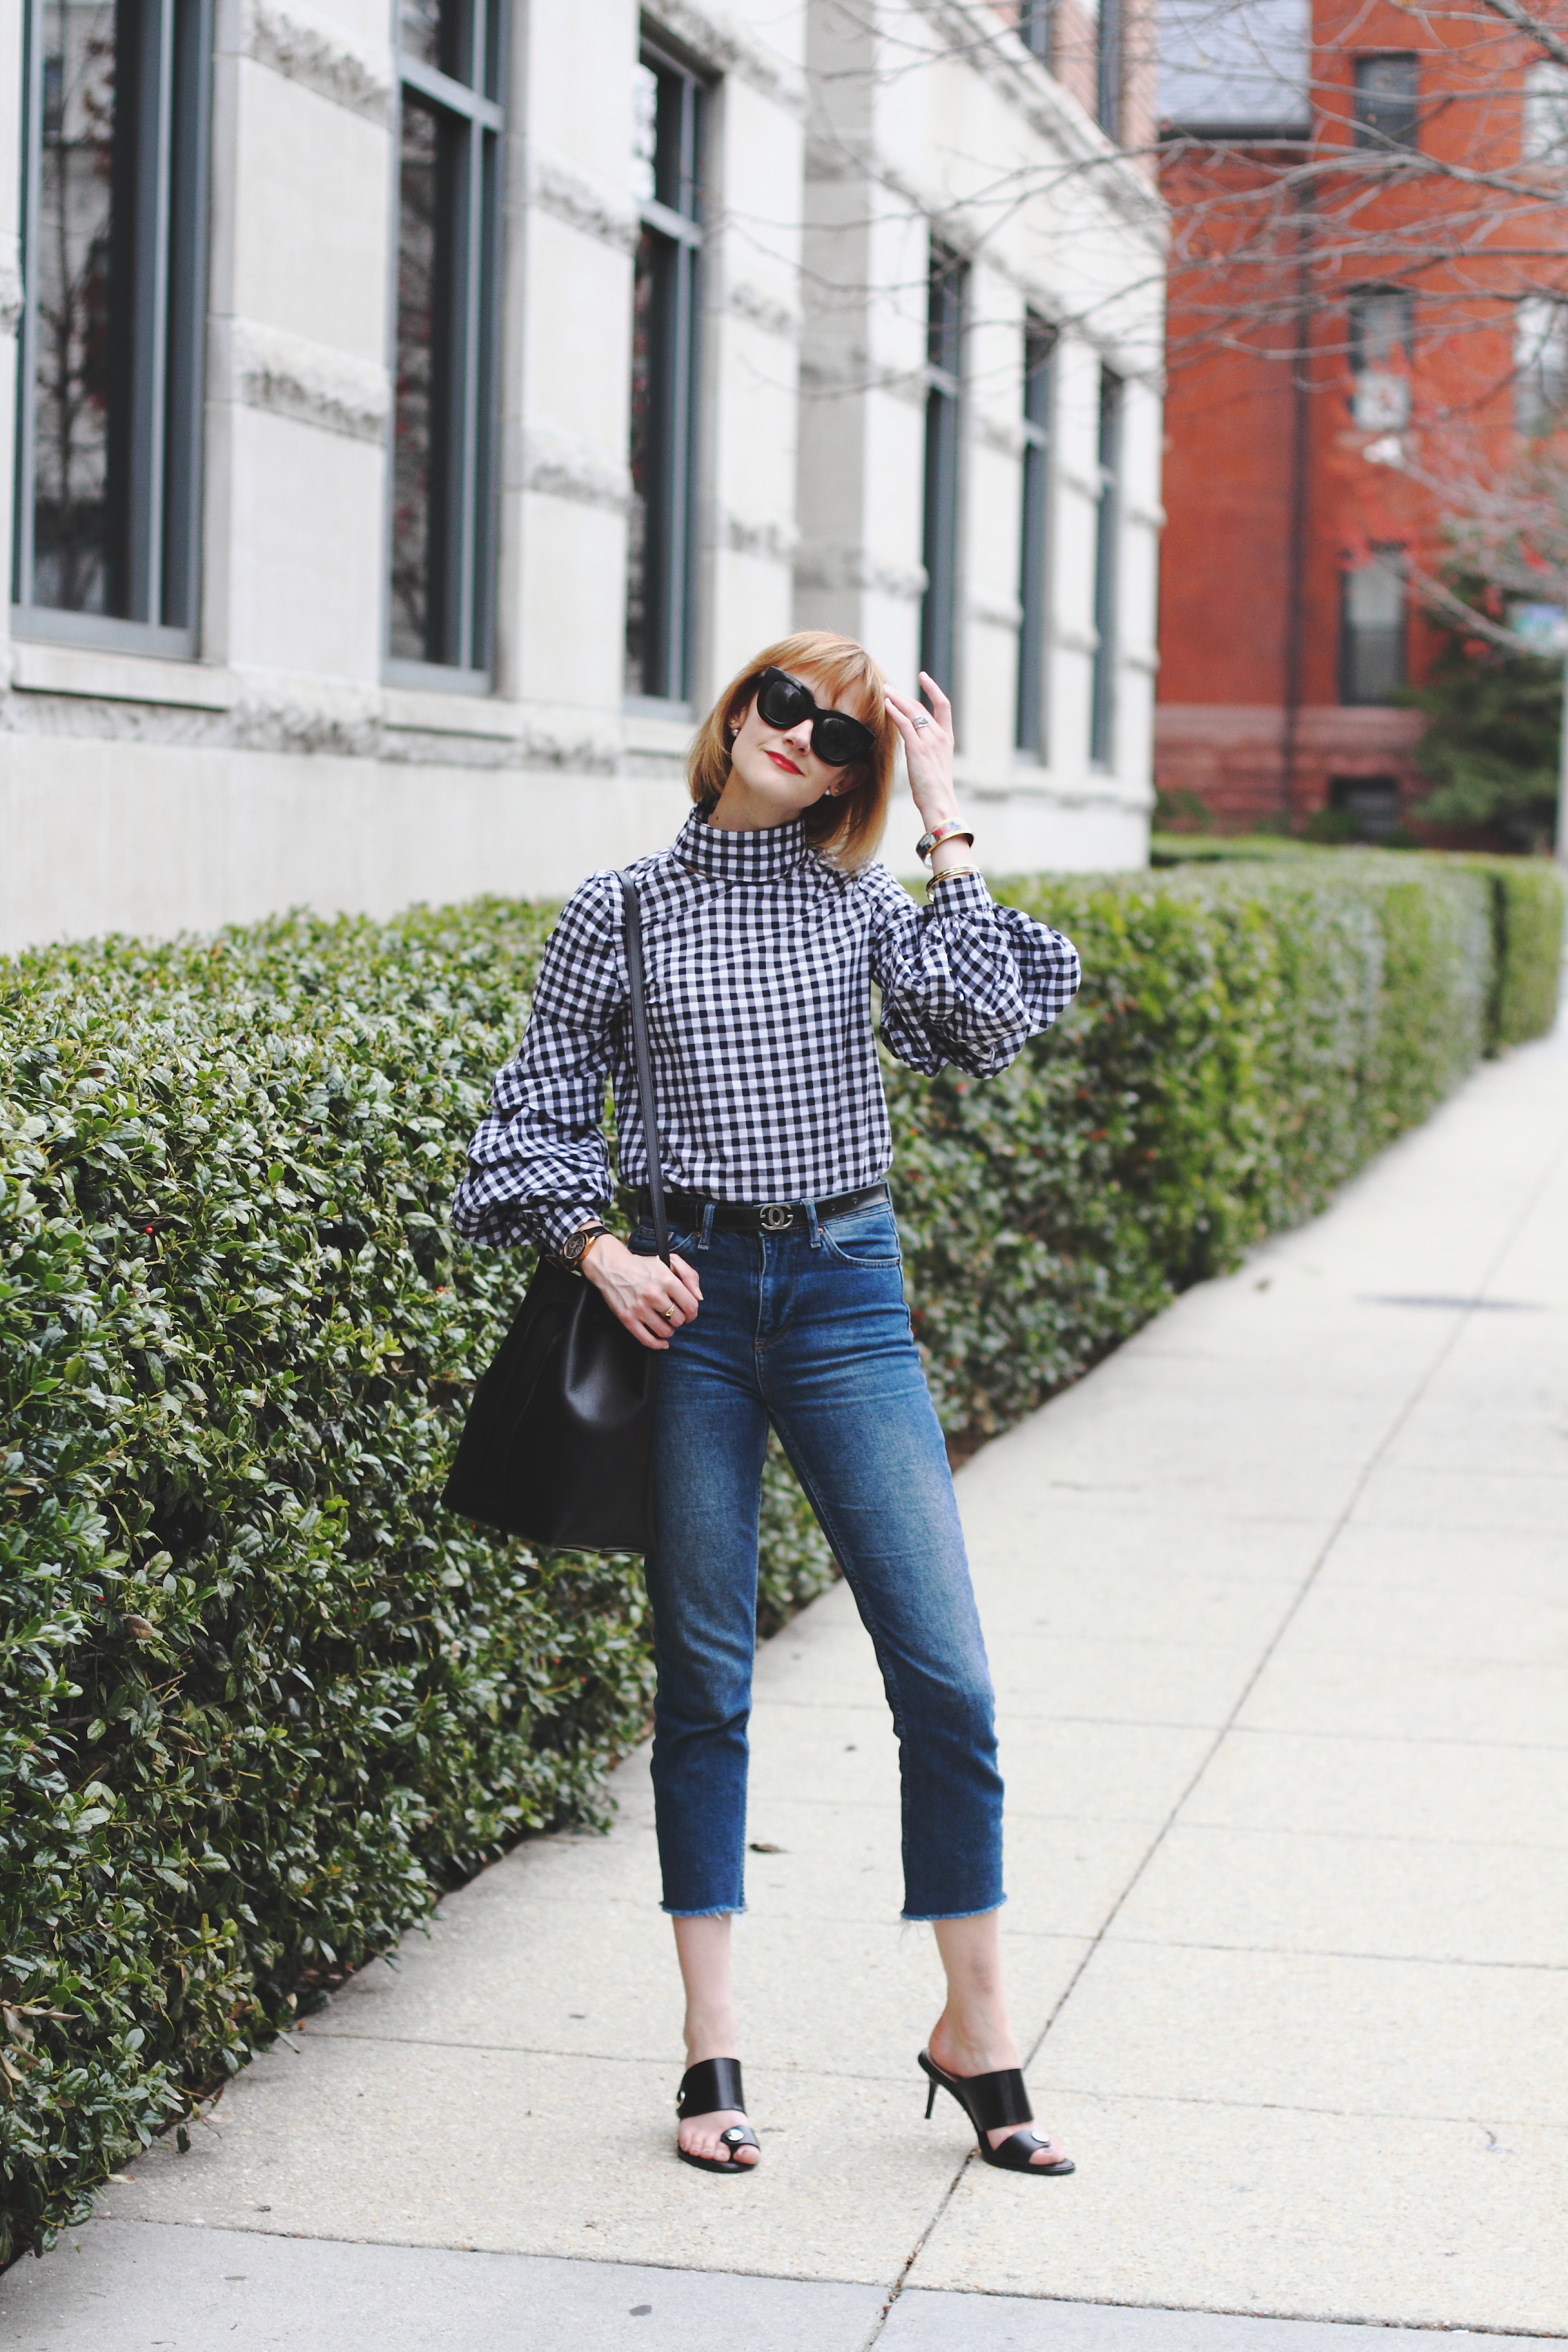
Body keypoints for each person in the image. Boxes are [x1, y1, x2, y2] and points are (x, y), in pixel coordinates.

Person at [452, 632, 1081, 2177]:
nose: (805, 738)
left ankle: (977, 2028)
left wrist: (944, 809)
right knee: (706, 1676)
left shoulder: (869, 904)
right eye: (788, 705)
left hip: (850, 1299)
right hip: (697, 1312)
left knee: (949, 1676)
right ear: (736, 707)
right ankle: (709, 2051)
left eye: (846, 738)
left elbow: (986, 1025)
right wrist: (601, 1252)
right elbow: (524, 1124)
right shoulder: (623, 907)